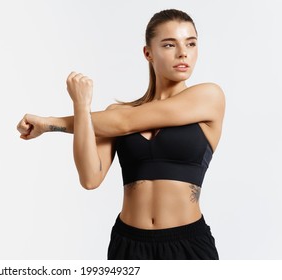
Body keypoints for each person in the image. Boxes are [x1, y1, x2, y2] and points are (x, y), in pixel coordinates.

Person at [16, 9, 225, 260]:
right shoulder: (113, 116)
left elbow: (126, 122)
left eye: (191, 43)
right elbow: (90, 178)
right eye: (170, 44)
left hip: (187, 244)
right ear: (148, 53)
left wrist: (50, 123)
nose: (183, 53)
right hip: (128, 245)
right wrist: (81, 106)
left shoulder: (208, 97)